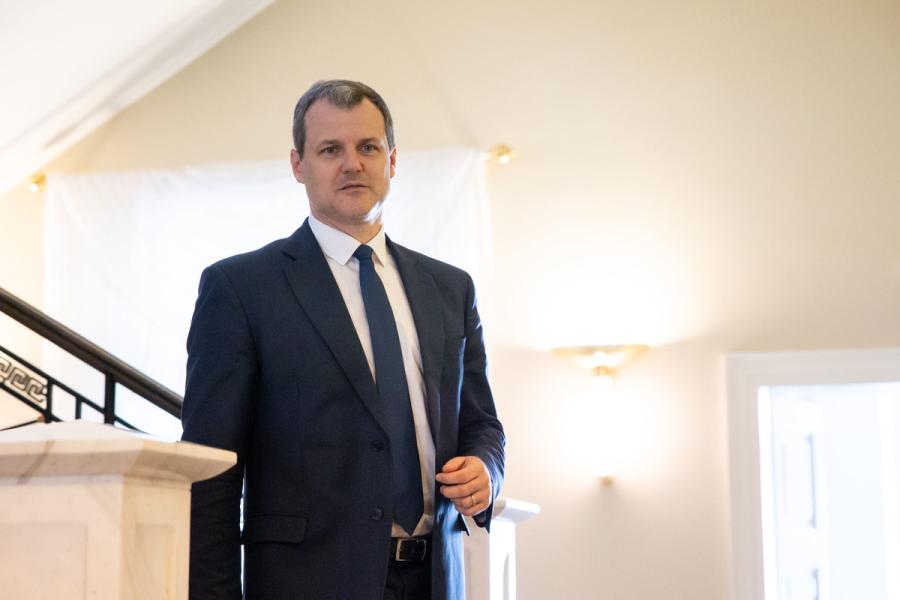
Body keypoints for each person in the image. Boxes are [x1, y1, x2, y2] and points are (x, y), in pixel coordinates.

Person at [181, 79, 505, 600]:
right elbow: (211, 473)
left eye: (368, 147)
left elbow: (482, 424)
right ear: (298, 165)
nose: (352, 164)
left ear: (392, 160)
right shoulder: (241, 289)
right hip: (305, 584)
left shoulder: (450, 288)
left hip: (436, 580)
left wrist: (486, 469)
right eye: (330, 149)